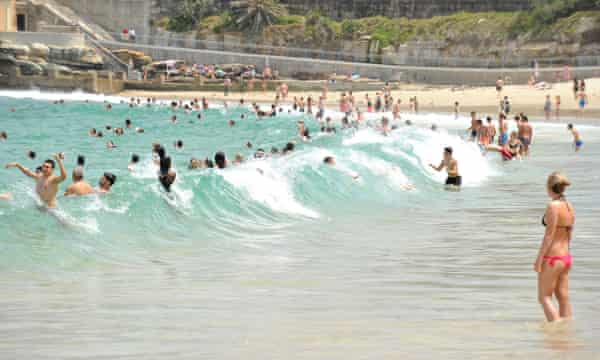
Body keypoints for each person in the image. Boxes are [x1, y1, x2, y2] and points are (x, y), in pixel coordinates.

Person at [535, 172, 575, 322]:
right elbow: (569, 232)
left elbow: (549, 235)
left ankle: (556, 331)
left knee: (544, 297)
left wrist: (539, 260)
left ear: (550, 186)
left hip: (552, 257)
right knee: (563, 297)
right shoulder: (569, 205)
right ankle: (567, 330)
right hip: (565, 257)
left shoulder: (553, 206)